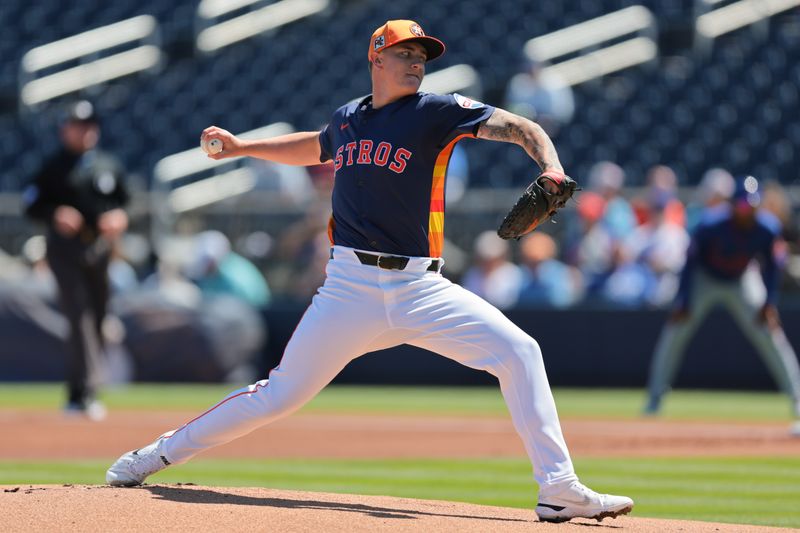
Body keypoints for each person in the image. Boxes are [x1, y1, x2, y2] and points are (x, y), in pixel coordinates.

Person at [106, 20, 633, 522]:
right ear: (375, 58)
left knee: (521, 352)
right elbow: (314, 147)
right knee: (277, 395)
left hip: (421, 286)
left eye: (421, 56)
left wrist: (552, 167)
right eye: (404, 53)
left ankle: (558, 490)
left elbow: (522, 126)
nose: (416, 64)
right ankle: (154, 456)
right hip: (349, 289)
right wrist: (245, 147)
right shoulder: (346, 120)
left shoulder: (437, 111)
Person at [644, 175, 800, 435]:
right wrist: (683, 300)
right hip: (705, 278)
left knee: (770, 333)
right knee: (675, 332)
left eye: (751, 206)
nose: (746, 211)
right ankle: (653, 401)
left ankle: (797, 400)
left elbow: (772, 267)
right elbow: (690, 263)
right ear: (731, 205)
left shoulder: (767, 227)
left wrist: (769, 302)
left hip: (742, 278)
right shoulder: (710, 224)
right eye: (741, 205)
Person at [22, 100, 130, 420]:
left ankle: (79, 390)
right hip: (64, 250)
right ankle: (84, 393)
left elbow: (126, 202)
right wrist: (55, 213)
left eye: (88, 125)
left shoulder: (107, 165)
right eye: (77, 125)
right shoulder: (53, 167)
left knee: (97, 317)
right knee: (79, 315)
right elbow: (31, 205)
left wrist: (120, 217)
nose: (84, 131)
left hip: (98, 249)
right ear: (64, 129)